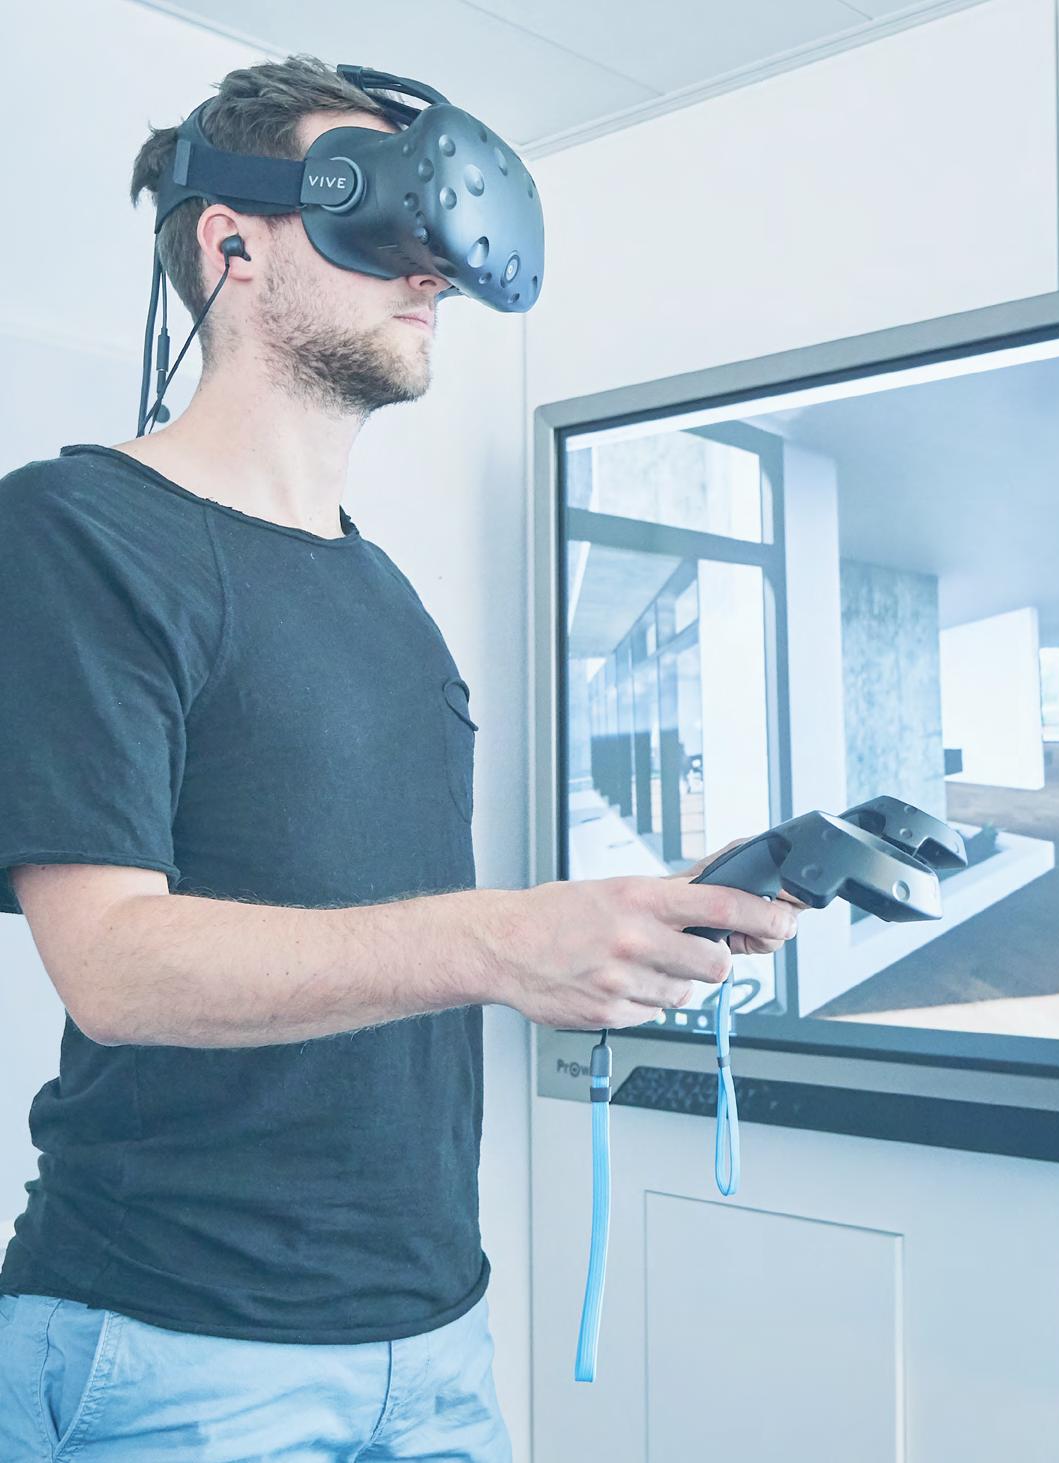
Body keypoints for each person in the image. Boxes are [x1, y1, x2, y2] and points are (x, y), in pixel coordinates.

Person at [0, 54, 803, 1461]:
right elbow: (112, 966)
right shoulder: (76, 533)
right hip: (178, 1353)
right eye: (376, 216)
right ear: (232, 241)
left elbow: (395, 938)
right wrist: (504, 940)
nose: (432, 267)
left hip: (434, 1346)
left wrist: (616, 937)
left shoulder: (382, 592)